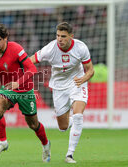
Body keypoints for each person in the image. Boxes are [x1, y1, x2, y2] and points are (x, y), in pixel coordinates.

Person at [0, 23, 51, 162]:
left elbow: (32, 69)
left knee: (33, 124)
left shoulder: (16, 49)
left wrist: (17, 83)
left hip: (25, 90)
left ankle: (45, 144)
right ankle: (3, 142)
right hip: (7, 89)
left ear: (5, 38)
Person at [30, 22, 94, 163]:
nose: (60, 39)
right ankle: (73, 124)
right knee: (63, 127)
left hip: (77, 83)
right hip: (58, 87)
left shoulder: (81, 47)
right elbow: (31, 60)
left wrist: (83, 78)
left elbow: (90, 70)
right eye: (58, 35)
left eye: (63, 36)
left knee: (78, 116)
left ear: (71, 36)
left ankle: (69, 154)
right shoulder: (50, 49)